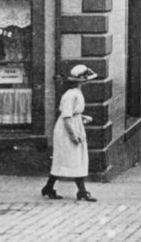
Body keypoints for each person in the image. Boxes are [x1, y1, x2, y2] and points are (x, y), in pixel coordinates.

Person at [42, 64, 98, 202]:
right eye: (85, 78)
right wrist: (73, 135)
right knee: (70, 159)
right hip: (66, 131)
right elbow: (66, 117)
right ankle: (82, 191)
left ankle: (49, 187)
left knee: (71, 160)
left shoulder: (76, 93)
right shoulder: (70, 95)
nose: (87, 81)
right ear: (80, 80)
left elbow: (73, 113)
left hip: (74, 125)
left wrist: (82, 118)